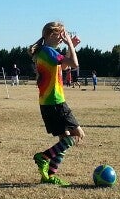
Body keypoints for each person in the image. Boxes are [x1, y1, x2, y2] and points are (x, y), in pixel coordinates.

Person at [30, 22, 84, 186]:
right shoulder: (48, 51)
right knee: (78, 135)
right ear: (48, 35)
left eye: (63, 34)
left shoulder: (45, 52)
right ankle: (44, 157)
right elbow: (74, 64)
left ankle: (50, 176)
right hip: (55, 102)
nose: (62, 38)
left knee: (64, 139)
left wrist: (71, 47)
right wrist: (70, 46)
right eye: (60, 34)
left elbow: (65, 66)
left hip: (48, 102)